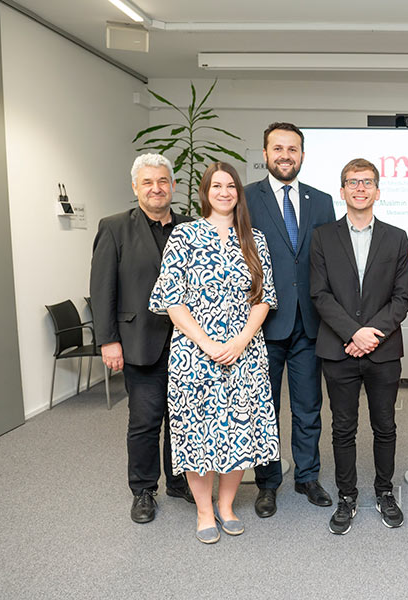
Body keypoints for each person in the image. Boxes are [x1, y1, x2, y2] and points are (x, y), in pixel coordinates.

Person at [149, 162, 279, 544]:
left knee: (241, 432)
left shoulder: (253, 238)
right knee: (198, 433)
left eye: (231, 186)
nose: (224, 192)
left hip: (246, 353)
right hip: (193, 353)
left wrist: (240, 341)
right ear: (205, 192)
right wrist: (205, 343)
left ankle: (226, 506)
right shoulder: (184, 237)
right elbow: (171, 301)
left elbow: (264, 299)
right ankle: (204, 511)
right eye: (216, 186)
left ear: (239, 193)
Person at [310, 158, 408, 535]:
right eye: (352, 182)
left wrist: (371, 333)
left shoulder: (397, 237)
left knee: (385, 425)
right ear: (342, 191)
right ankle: (347, 496)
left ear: (377, 191)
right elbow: (319, 295)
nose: (359, 188)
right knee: (343, 427)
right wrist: (353, 333)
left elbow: (403, 297)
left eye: (367, 182)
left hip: (383, 351)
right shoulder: (322, 237)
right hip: (338, 350)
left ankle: (385, 492)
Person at [90, 153, 194, 524]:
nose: (156, 188)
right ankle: (143, 490)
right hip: (138, 343)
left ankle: (180, 482)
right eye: (148, 182)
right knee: (146, 420)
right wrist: (108, 340)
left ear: (173, 186)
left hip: (188, 345)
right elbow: (102, 288)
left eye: (162, 181)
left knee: (182, 420)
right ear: (135, 187)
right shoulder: (115, 227)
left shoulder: (191, 227)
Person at [245, 122, 336, 516]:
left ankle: (307, 476)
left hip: (310, 324)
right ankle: (267, 484)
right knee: (265, 409)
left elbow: (328, 262)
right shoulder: (246, 198)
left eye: (293, 148)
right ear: (264, 154)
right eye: (277, 148)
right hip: (262, 323)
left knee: (308, 406)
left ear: (302, 154)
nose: (285, 155)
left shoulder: (322, 200)